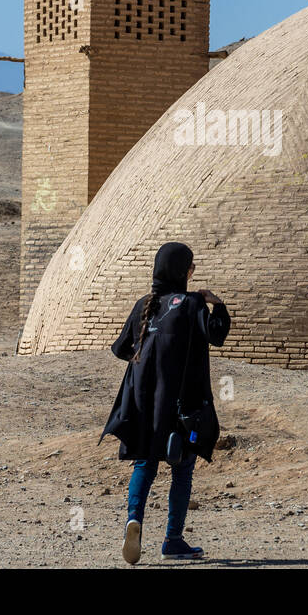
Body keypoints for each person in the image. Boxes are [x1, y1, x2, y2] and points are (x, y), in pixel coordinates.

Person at [101, 242, 230, 564]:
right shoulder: (191, 303)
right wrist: (218, 304)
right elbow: (216, 335)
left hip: (143, 404)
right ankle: (173, 540)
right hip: (183, 405)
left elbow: (120, 349)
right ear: (184, 271)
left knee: (145, 462)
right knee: (182, 468)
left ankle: (134, 520)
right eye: (192, 267)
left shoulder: (145, 303)